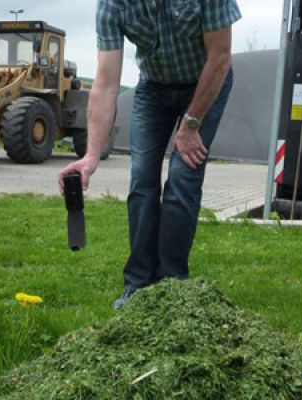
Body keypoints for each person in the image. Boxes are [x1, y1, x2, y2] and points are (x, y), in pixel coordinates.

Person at [58, 0, 241, 308]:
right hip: (153, 89)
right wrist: (91, 156)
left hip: (207, 81)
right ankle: (139, 284)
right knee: (142, 178)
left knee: (183, 177)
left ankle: (172, 285)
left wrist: (192, 123)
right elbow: (105, 84)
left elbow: (221, 57)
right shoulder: (113, 5)